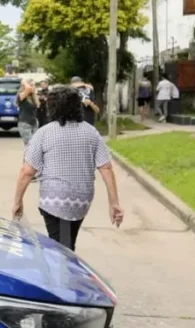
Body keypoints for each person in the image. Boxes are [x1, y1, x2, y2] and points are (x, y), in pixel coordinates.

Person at [11, 86, 124, 252]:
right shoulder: (91, 132)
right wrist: (114, 203)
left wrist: (17, 201)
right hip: (81, 199)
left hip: (53, 199)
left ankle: (64, 265)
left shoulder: (44, 133)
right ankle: (67, 260)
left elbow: (27, 171)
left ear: (52, 107)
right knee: (66, 243)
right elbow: (106, 167)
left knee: (61, 249)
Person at [16, 79, 40, 147]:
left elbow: (38, 106)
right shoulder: (21, 96)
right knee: (29, 146)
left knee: (36, 145)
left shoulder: (33, 97)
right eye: (31, 85)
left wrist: (34, 93)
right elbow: (28, 89)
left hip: (34, 123)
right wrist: (24, 82)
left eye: (34, 85)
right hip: (25, 123)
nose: (33, 87)